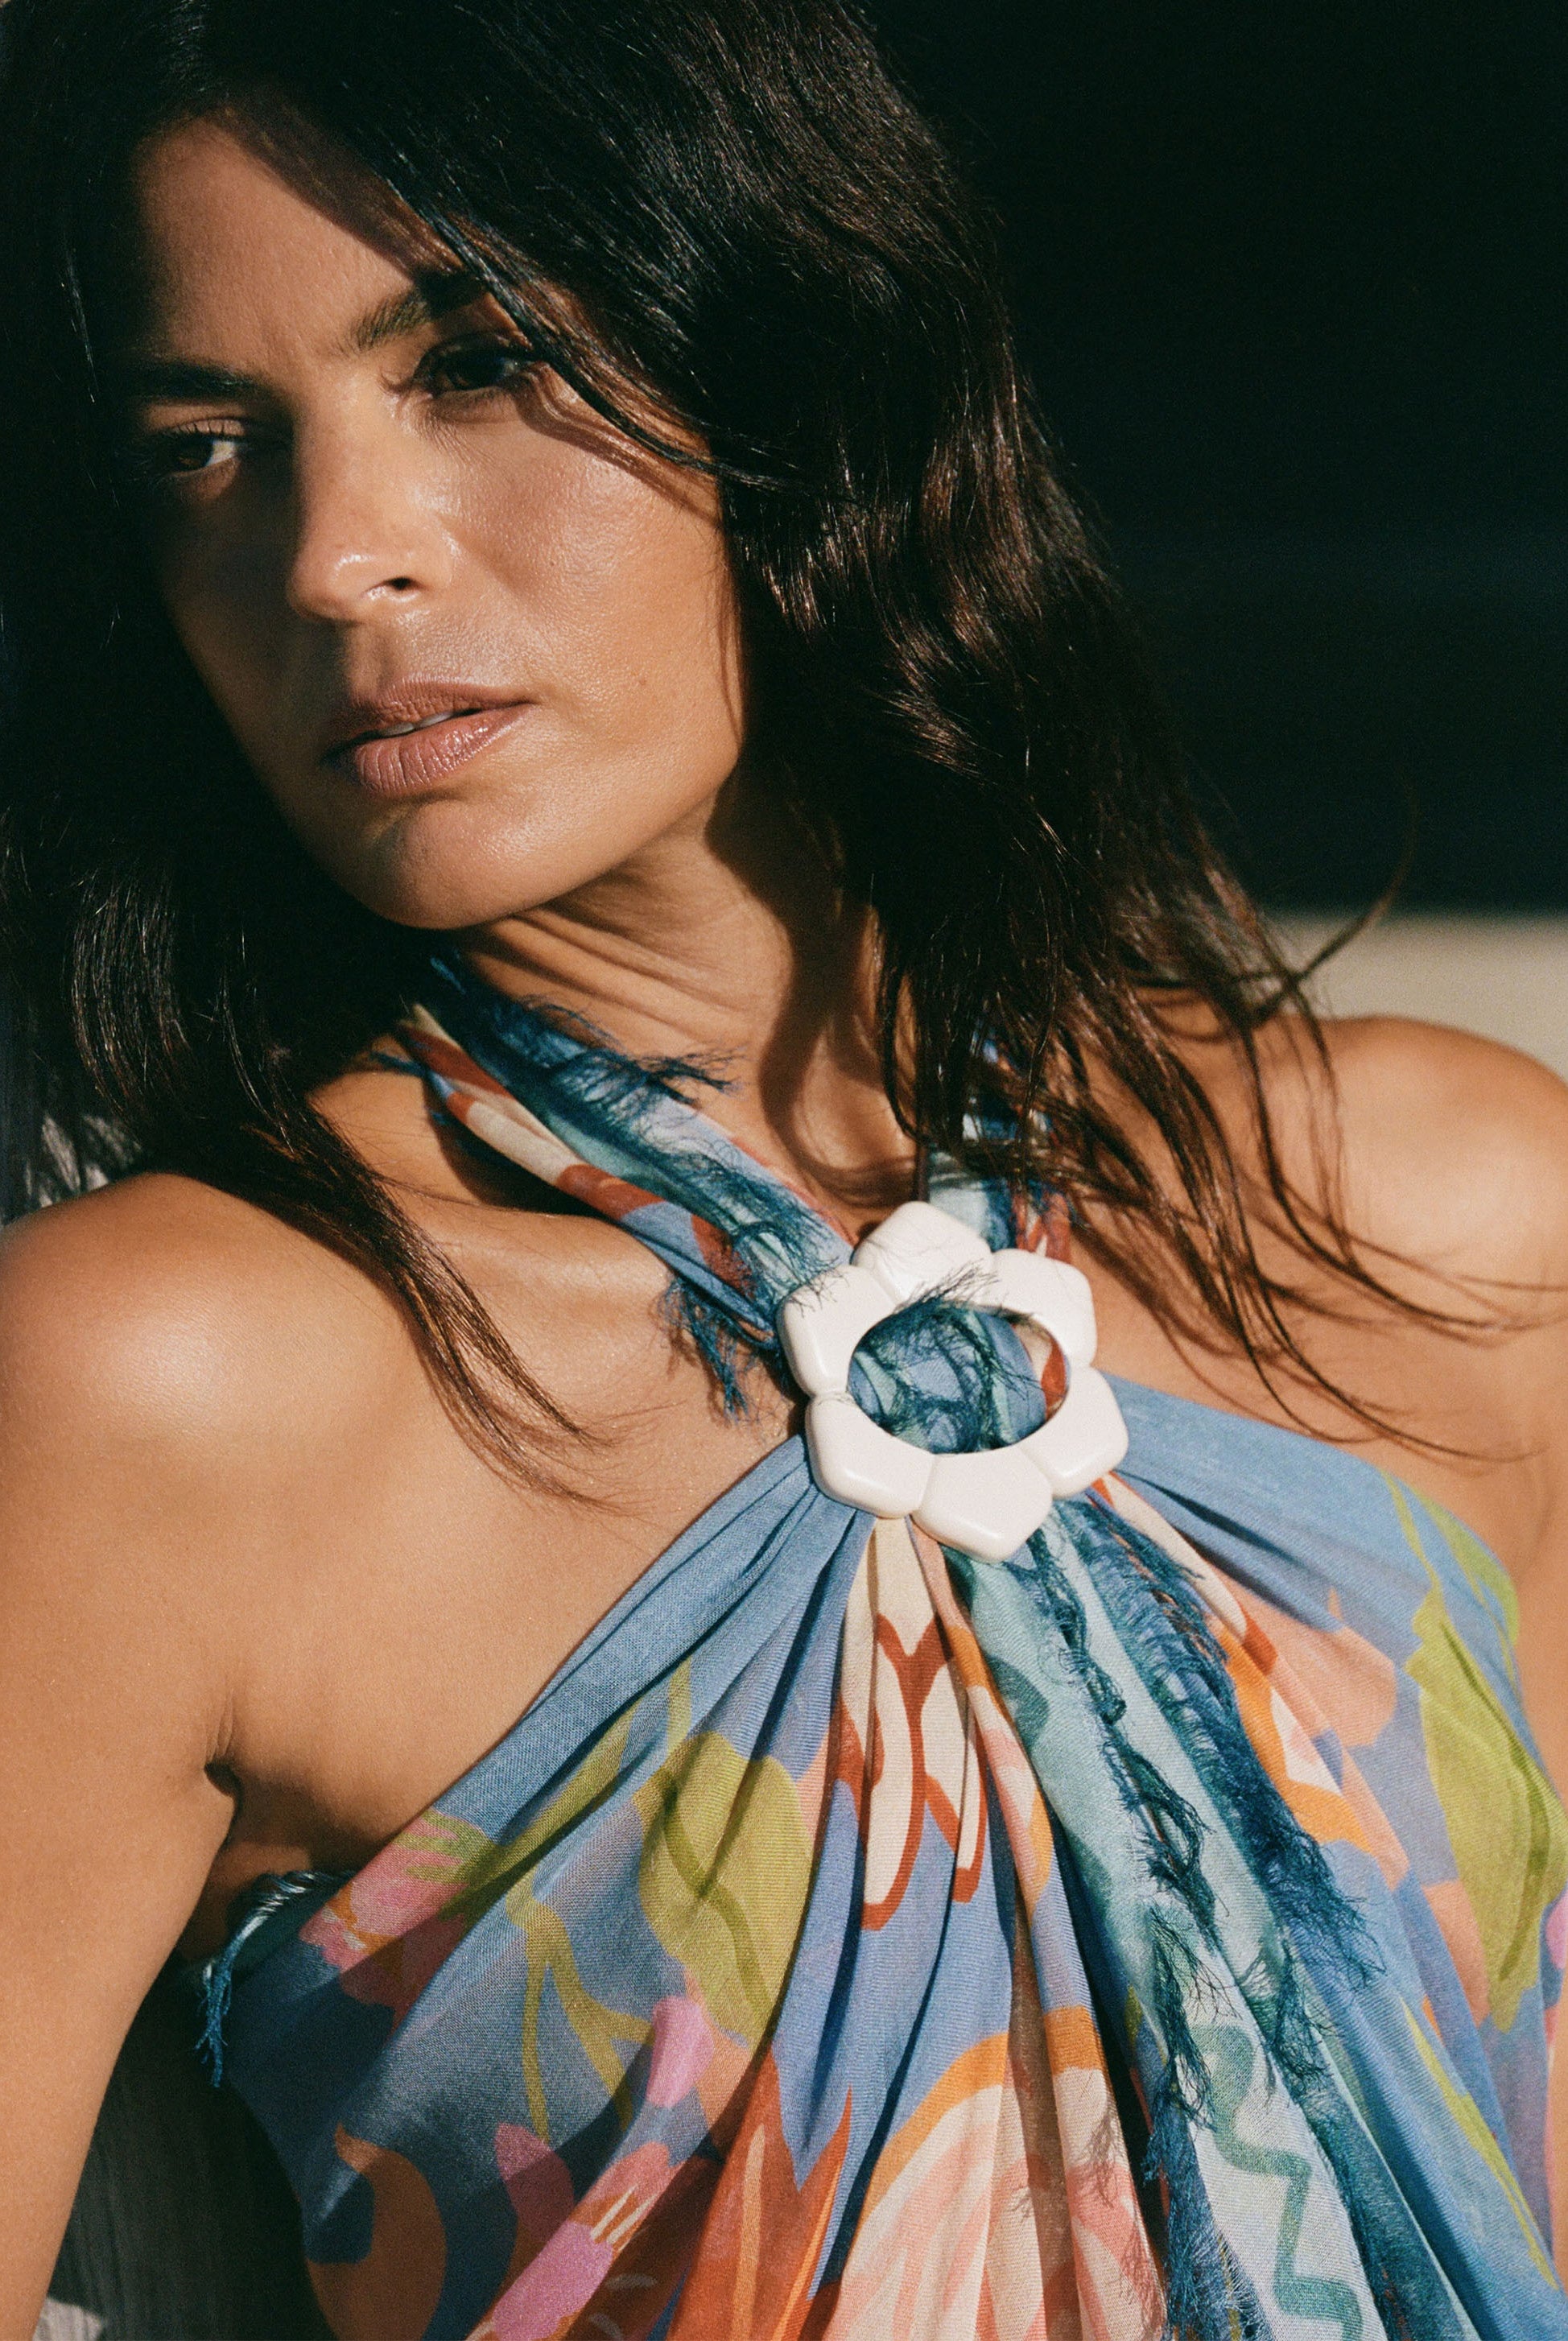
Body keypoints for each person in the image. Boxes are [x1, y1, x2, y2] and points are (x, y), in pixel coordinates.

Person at [2, 1, 1568, 2335]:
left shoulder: (1442, 1213)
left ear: (798, 372)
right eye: (207, 449)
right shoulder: (171, 1379)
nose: (337, 556)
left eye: (481, 359)